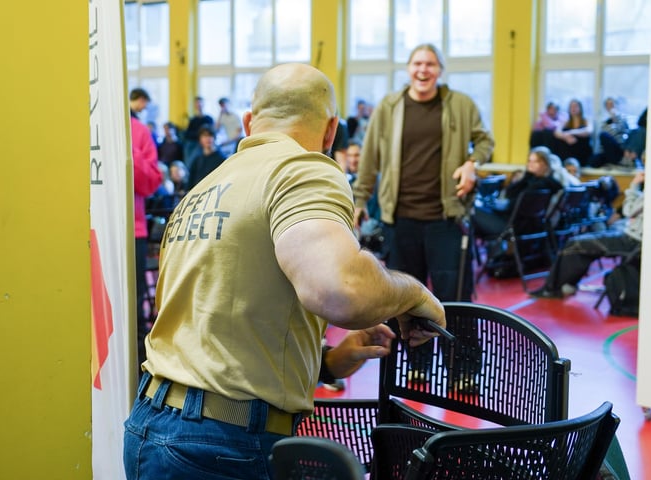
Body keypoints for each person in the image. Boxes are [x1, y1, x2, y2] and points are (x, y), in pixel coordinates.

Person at [123, 63, 445, 479]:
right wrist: (414, 293)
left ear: (248, 124)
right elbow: (340, 290)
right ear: (331, 131)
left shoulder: (204, 189)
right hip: (223, 446)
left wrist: (326, 363)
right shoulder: (301, 168)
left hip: (149, 428)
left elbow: (215, 321)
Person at [352, 44, 494, 389]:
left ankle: (463, 371)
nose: (423, 70)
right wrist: (359, 199)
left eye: (430, 64)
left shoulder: (459, 104)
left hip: (445, 217)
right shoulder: (389, 107)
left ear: (440, 70)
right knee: (406, 301)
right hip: (401, 220)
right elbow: (369, 158)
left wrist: (472, 164)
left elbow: (484, 140)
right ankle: (416, 366)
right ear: (408, 68)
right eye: (417, 63)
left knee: (454, 297)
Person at [530, 168, 644, 299]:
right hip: (631, 236)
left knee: (575, 243)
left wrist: (634, 184)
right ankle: (565, 285)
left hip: (632, 241)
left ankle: (551, 289)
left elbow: (628, 210)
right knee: (578, 243)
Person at [128, 87, 163, 367]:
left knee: (134, 309)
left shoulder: (138, 132)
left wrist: (130, 152)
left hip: (133, 231)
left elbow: (151, 182)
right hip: (89, 231)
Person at [473, 146, 563, 239]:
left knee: (472, 210)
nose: (530, 165)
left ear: (545, 164)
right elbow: (511, 194)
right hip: (528, 227)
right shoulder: (545, 183)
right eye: (529, 161)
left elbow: (512, 202)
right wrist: (527, 176)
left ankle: (474, 250)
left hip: (513, 227)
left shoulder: (539, 186)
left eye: (535, 162)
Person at [589, 97, 630, 168]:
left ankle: (615, 161)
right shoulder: (604, 123)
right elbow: (603, 142)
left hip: (619, 149)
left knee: (603, 135)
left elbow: (623, 132)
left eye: (612, 104)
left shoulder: (622, 119)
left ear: (616, 106)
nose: (610, 106)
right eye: (608, 105)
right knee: (593, 161)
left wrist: (615, 118)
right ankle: (611, 161)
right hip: (608, 151)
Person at [551, 99, 594, 165]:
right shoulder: (566, 121)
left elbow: (589, 131)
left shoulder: (586, 120)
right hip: (567, 153)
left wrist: (570, 132)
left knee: (577, 133)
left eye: (575, 106)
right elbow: (556, 132)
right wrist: (565, 137)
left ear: (580, 108)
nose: (573, 108)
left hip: (582, 153)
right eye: (571, 107)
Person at [182, 95, 214, 162]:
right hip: (192, 142)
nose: (198, 105)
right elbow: (188, 133)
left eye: (200, 103)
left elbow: (210, 132)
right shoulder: (193, 120)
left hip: (202, 143)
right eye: (197, 103)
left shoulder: (208, 119)